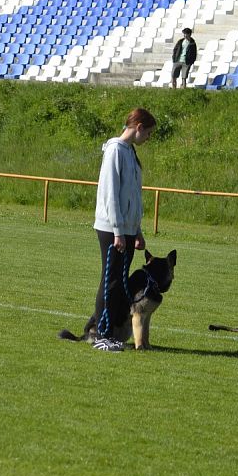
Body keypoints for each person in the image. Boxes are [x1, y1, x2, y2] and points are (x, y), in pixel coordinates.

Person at [89, 108, 157, 352]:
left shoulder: (130, 152)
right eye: (147, 132)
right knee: (111, 281)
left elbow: (133, 196)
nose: (148, 138)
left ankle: (112, 332)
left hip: (126, 229)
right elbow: (111, 196)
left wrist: (136, 230)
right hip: (111, 228)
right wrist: (118, 230)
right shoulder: (115, 150)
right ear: (138, 126)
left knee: (120, 283)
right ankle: (101, 335)